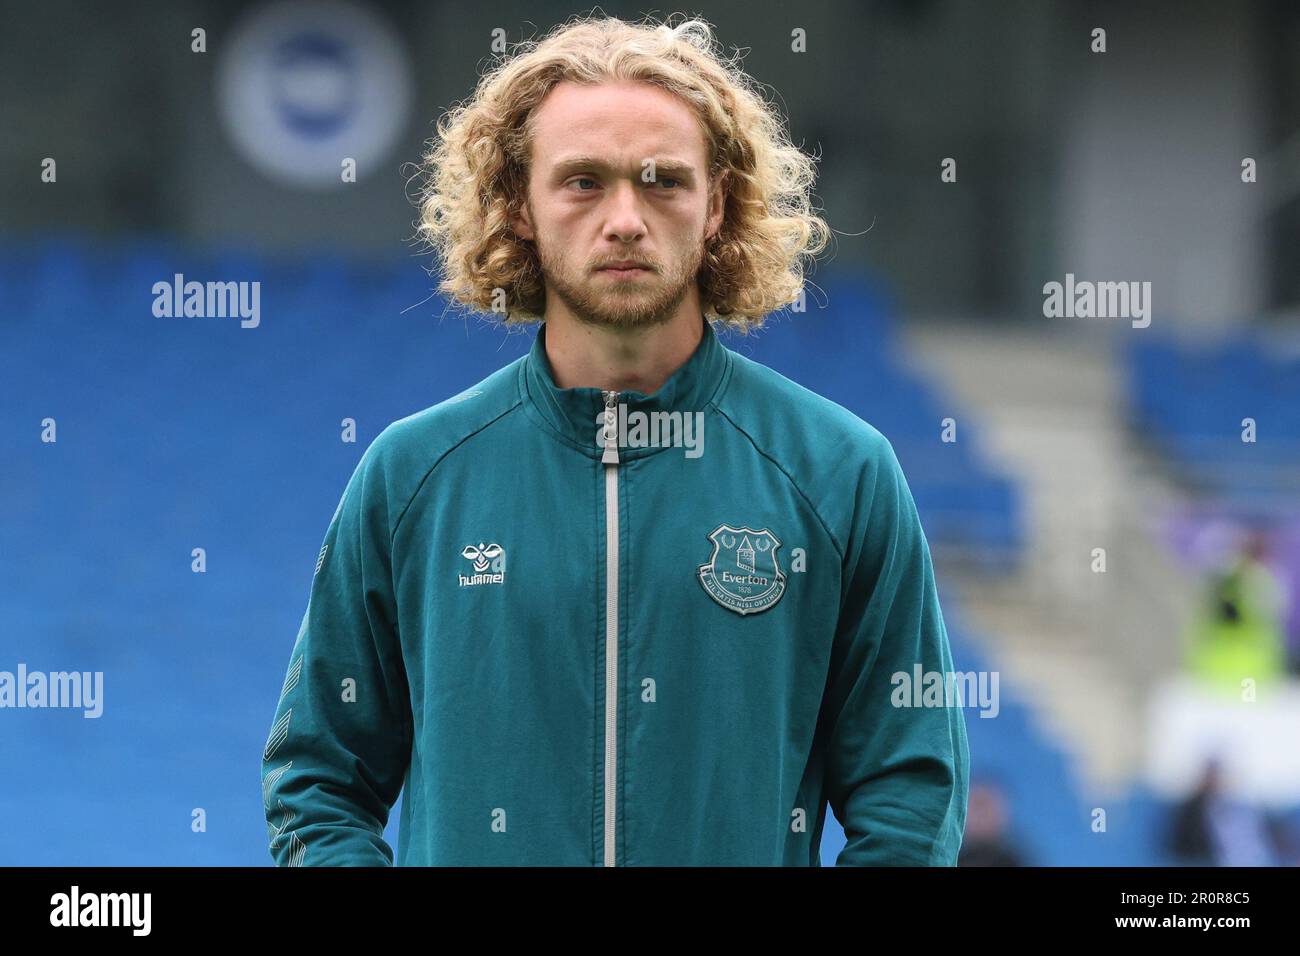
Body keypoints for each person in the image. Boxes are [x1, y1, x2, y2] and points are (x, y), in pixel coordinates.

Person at [261, 14, 968, 866]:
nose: (625, 218)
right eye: (583, 181)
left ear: (718, 207)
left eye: (663, 180)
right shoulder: (413, 475)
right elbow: (317, 783)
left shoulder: (841, 472)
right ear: (518, 206)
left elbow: (911, 796)